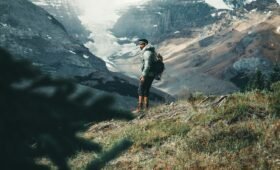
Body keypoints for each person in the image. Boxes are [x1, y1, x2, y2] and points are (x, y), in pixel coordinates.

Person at [134, 39, 156, 113]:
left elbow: (147, 65)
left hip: (148, 74)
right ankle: (146, 108)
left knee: (141, 89)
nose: (140, 46)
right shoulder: (151, 51)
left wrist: (143, 75)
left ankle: (140, 108)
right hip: (151, 74)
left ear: (145, 44)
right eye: (139, 44)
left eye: (141, 44)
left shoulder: (147, 53)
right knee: (146, 90)